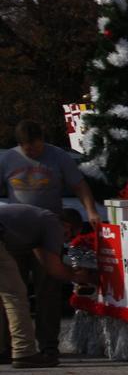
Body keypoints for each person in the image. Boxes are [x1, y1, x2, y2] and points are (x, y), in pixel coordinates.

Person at [0, 119, 101, 357]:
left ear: (42, 140)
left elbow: (80, 185)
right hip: (16, 232)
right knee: (12, 291)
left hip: (47, 230)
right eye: (26, 147)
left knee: (48, 289)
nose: (31, 152)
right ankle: (8, 346)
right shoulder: (7, 159)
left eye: (34, 146)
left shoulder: (58, 157)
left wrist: (91, 210)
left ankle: (47, 345)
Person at [0, 204, 89, 368]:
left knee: (5, 294)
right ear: (67, 226)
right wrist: (77, 276)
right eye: (68, 237)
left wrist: (69, 274)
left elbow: (48, 265)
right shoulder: (52, 223)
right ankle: (24, 352)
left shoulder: (37, 223)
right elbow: (55, 268)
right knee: (15, 296)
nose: (65, 241)